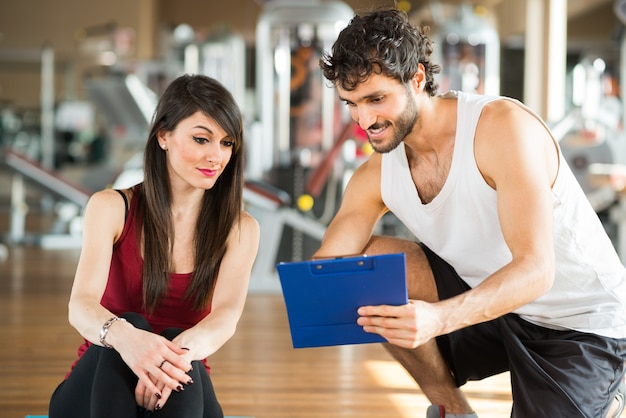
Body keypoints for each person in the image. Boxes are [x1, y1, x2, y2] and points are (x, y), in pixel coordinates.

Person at [315, 7, 626, 418]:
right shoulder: (375, 175)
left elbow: (536, 270)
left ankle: (610, 394)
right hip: (495, 307)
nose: (365, 119)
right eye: (351, 103)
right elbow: (328, 269)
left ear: (417, 79)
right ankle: (453, 411)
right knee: (368, 268)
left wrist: (436, 319)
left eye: (376, 99)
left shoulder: (500, 128)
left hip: (580, 322)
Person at [48, 74, 260, 418]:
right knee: (131, 323)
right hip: (101, 382)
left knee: (181, 342)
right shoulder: (111, 207)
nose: (216, 156)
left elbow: (224, 319)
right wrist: (131, 342)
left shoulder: (240, 229)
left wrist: (166, 359)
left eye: (227, 143)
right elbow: (81, 305)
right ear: (163, 135)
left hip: (177, 381)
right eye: (202, 139)